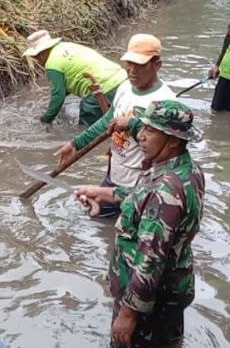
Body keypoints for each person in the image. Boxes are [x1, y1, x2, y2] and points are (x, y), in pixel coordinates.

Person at [73, 100, 206, 348]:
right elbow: (144, 197)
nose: (141, 136)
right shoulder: (185, 169)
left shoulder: (165, 191)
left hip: (148, 302)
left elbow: (149, 259)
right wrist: (104, 193)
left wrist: (128, 313)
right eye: (142, 127)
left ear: (173, 140)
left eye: (150, 130)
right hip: (175, 287)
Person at [53, 34, 177, 218]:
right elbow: (107, 121)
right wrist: (76, 143)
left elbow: (167, 148)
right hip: (115, 175)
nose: (132, 71)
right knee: (96, 217)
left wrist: (131, 124)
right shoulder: (125, 87)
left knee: (130, 228)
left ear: (157, 65)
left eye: (140, 65)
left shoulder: (166, 102)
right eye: (129, 64)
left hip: (142, 185)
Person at [23, 29, 127, 126]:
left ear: (41, 53)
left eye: (36, 57)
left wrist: (45, 120)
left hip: (103, 88)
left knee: (87, 130)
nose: (38, 61)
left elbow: (58, 96)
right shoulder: (67, 46)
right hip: (123, 79)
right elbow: (68, 83)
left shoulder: (51, 64)